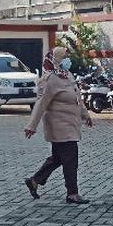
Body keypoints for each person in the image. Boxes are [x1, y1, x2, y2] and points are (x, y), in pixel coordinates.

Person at [24, 47, 93, 205]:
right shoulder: (50, 78)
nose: (68, 60)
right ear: (56, 60)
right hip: (59, 125)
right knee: (71, 159)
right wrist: (32, 125)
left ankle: (35, 180)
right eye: (65, 57)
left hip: (71, 124)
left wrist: (86, 115)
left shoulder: (67, 75)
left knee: (58, 158)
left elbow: (77, 98)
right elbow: (41, 103)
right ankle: (72, 194)